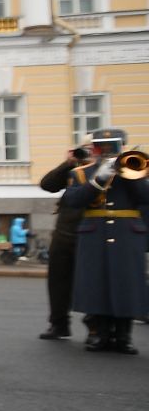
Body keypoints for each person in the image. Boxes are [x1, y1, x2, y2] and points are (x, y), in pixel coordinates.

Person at [59, 128, 147, 353]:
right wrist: (99, 179)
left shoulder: (136, 168)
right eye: (100, 147)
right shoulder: (80, 173)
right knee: (97, 283)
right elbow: (73, 201)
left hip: (127, 233)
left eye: (112, 147)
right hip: (94, 232)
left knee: (125, 283)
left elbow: (144, 197)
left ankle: (124, 336)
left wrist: (127, 173)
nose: (106, 151)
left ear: (123, 147)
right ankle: (101, 333)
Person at [38, 143, 99, 341]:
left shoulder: (109, 168)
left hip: (93, 230)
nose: (89, 154)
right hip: (66, 230)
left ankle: (95, 326)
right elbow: (48, 184)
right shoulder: (74, 170)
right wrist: (68, 163)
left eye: (93, 149)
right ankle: (58, 323)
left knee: (93, 281)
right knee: (58, 280)